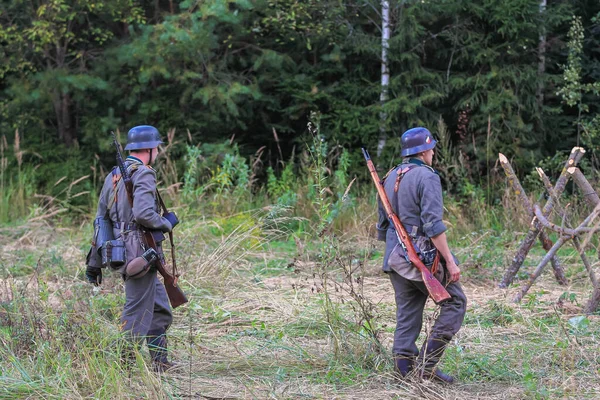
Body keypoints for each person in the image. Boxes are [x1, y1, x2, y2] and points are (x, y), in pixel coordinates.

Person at [85, 125, 180, 372]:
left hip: (122, 252)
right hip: (141, 253)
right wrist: (166, 223)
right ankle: (122, 369)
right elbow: (145, 214)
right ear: (148, 149)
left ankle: (160, 364)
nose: (158, 151)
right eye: (157, 147)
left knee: (160, 310)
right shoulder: (145, 173)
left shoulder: (114, 175)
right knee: (136, 312)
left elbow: (101, 220)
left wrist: (94, 263)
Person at [376, 127, 466, 383]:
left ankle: (404, 372)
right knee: (455, 302)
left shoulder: (389, 175)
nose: (434, 152)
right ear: (424, 150)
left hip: (394, 258)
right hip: (422, 258)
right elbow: (433, 226)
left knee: (407, 311)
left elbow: (382, 228)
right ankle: (426, 367)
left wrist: (397, 253)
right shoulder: (427, 177)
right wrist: (449, 260)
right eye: (432, 148)